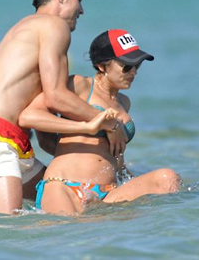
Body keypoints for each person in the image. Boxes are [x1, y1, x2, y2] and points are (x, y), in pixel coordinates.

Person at [0, 0, 126, 215]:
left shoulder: (28, 27)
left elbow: (43, 122)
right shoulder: (53, 26)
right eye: (79, 0)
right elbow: (56, 96)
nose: (82, 10)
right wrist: (108, 123)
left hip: (5, 140)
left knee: (63, 196)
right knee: (6, 229)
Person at [19, 29, 182, 215]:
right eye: (127, 66)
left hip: (106, 194)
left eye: (137, 65)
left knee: (167, 178)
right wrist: (88, 126)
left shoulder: (124, 102)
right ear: (102, 66)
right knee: (72, 233)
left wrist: (129, 176)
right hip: (64, 186)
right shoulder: (78, 85)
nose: (134, 72)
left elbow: (114, 153)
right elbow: (29, 116)